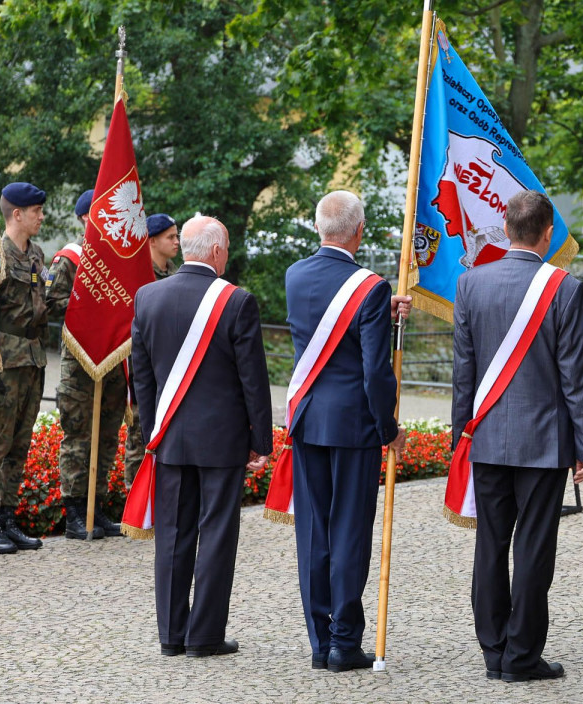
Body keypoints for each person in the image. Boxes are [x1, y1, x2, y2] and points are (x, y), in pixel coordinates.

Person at [452, 190, 583, 683]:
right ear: (548, 233)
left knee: (490, 546)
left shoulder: (470, 283)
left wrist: (460, 440)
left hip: (487, 436)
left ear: (507, 228)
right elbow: (576, 377)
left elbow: (463, 374)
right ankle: (522, 656)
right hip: (544, 441)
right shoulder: (565, 288)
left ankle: (494, 651)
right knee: (533, 549)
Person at [130, 215, 272, 657]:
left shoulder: (147, 296)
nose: (226, 255)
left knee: (172, 535)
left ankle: (172, 635)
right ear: (214, 251)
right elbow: (253, 380)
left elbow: (141, 377)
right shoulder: (237, 301)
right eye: (225, 248)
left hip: (169, 437)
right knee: (216, 535)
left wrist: (153, 433)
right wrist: (261, 441)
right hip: (222, 441)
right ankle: (204, 635)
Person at [285, 191, 408, 672]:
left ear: (319, 228)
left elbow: (328, 323)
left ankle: (320, 643)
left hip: (309, 418)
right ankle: (344, 643)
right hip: (355, 426)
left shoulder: (295, 275)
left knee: (314, 533)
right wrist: (388, 428)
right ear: (359, 231)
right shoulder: (371, 287)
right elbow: (375, 372)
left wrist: (380, 308)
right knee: (350, 533)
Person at [0, 182, 49, 555]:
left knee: (19, 444)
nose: (41, 217)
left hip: (32, 360)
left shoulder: (37, 255)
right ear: (16, 214)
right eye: (36, 211)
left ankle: (7, 517)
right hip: (3, 362)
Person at [46, 189, 126, 540]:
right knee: (79, 436)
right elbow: (52, 302)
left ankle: (97, 505)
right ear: (84, 218)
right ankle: (76, 512)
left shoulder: (119, 260)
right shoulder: (70, 258)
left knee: (107, 437)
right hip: (80, 363)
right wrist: (90, 306)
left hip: (113, 361)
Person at [123, 213, 180, 488]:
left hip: (171, 369)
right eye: (170, 237)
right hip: (142, 370)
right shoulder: (137, 276)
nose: (177, 242)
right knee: (139, 439)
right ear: (152, 241)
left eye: (177, 236)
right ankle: (136, 497)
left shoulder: (176, 275)